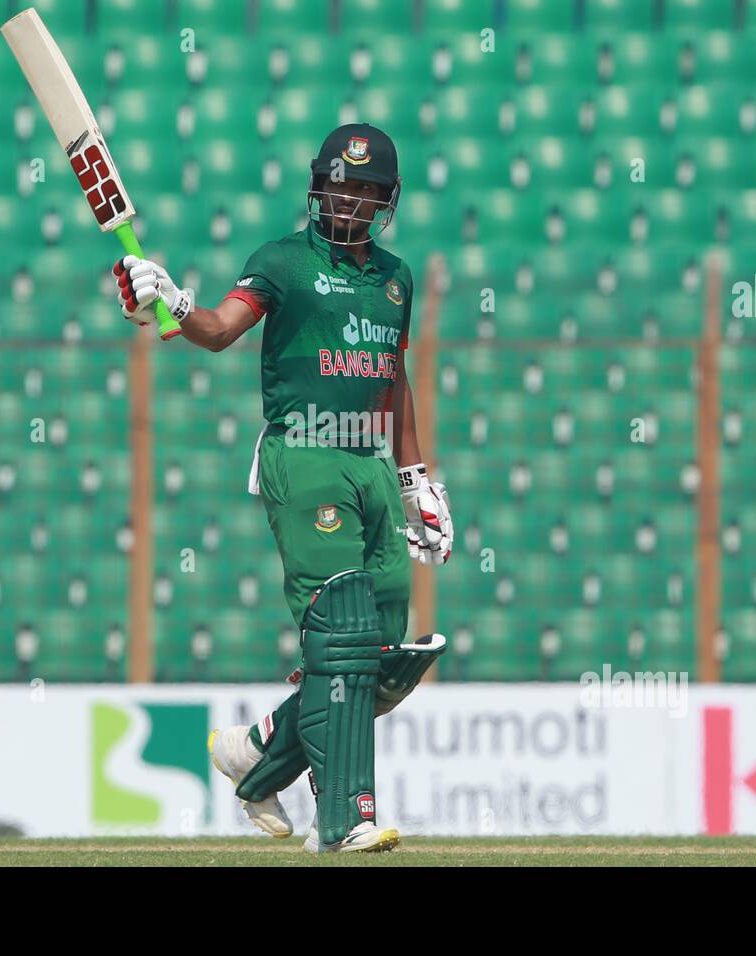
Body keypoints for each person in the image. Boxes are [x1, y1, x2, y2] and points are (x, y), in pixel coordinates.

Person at [114, 123, 453, 853]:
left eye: (366, 191)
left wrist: (417, 475)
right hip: (303, 453)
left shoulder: (396, 276)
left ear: (386, 201)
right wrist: (164, 302)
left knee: (386, 653)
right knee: (345, 626)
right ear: (317, 184)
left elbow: (393, 375)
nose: (350, 201)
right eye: (340, 185)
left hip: (369, 462)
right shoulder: (282, 261)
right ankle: (345, 819)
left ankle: (261, 751)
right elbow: (214, 330)